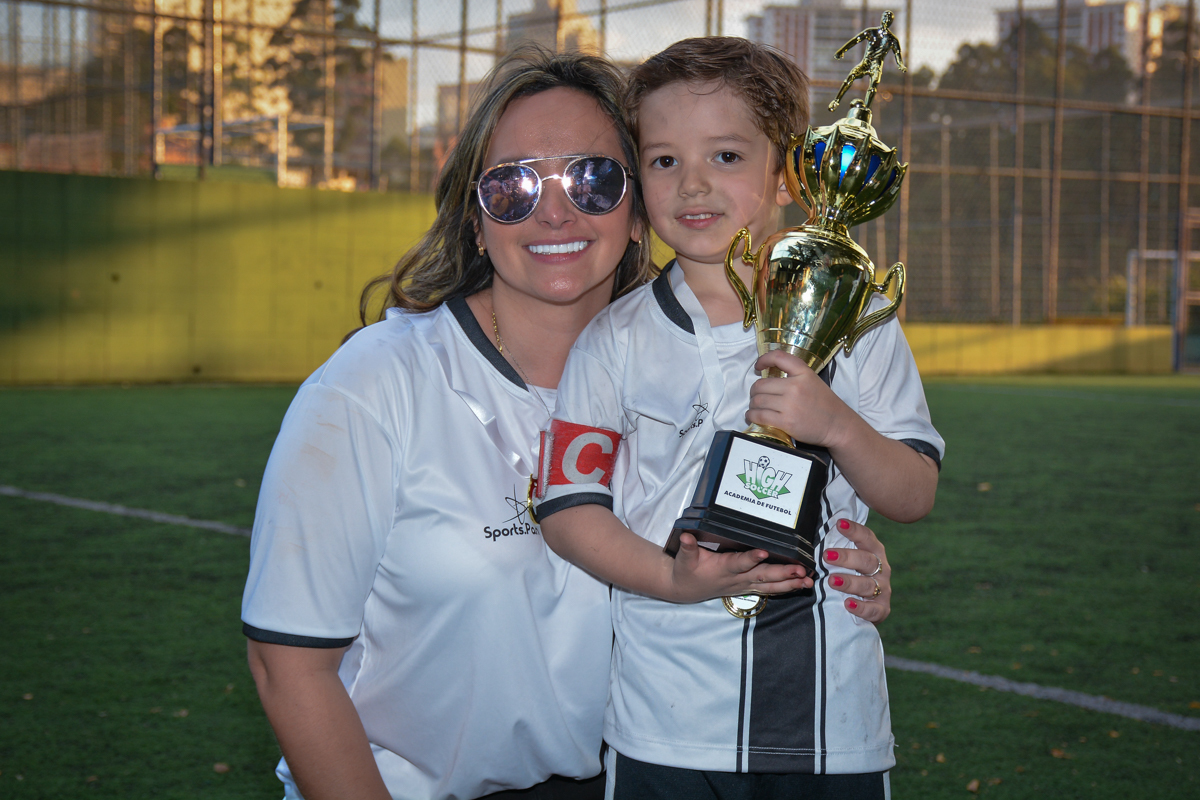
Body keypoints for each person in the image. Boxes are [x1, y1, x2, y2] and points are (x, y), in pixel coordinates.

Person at [240, 47, 847, 800]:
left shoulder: (705, 375)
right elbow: (287, 665)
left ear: (637, 211)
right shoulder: (373, 385)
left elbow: (739, 554)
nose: (555, 211)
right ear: (474, 215)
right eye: (514, 185)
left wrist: (843, 563)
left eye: (592, 180)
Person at [535, 38, 943, 799]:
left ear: (788, 174)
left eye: (725, 155)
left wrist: (838, 426)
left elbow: (913, 494)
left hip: (832, 731)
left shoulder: (864, 319)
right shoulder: (613, 340)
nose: (693, 183)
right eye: (662, 161)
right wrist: (671, 577)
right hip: (664, 723)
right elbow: (566, 509)